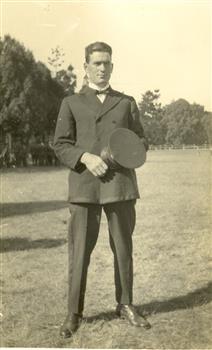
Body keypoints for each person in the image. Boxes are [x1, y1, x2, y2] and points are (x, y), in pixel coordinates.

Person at [54, 41, 150, 338]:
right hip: (84, 187)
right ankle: (74, 313)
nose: (102, 67)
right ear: (85, 67)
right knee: (79, 251)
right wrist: (85, 157)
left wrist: (122, 154)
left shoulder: (126, 102)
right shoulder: (71, 102)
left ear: (112, 65)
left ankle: (126, 304)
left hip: (120, 186)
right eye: (96, 63)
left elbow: (141, 143)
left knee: (124, 248)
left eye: (107, 62)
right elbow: (61, 144)